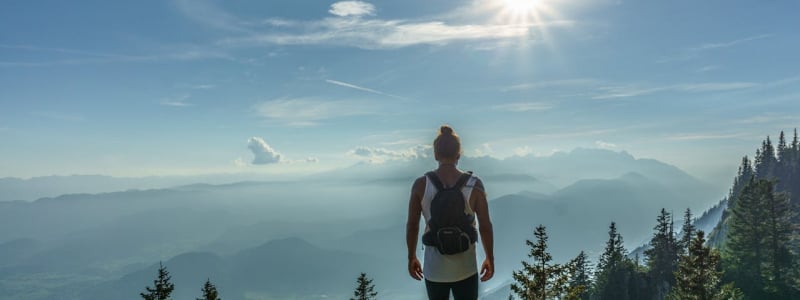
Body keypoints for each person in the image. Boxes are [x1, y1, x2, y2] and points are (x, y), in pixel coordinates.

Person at [406, 125, 494, 300]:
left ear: (435, 155)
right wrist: (490, 258)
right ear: (458, 155)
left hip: (434, 268)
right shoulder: (475, 184)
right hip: (466, 267)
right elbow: (485, 226)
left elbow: (412, 225)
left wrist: (411, 257)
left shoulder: (420, 185)